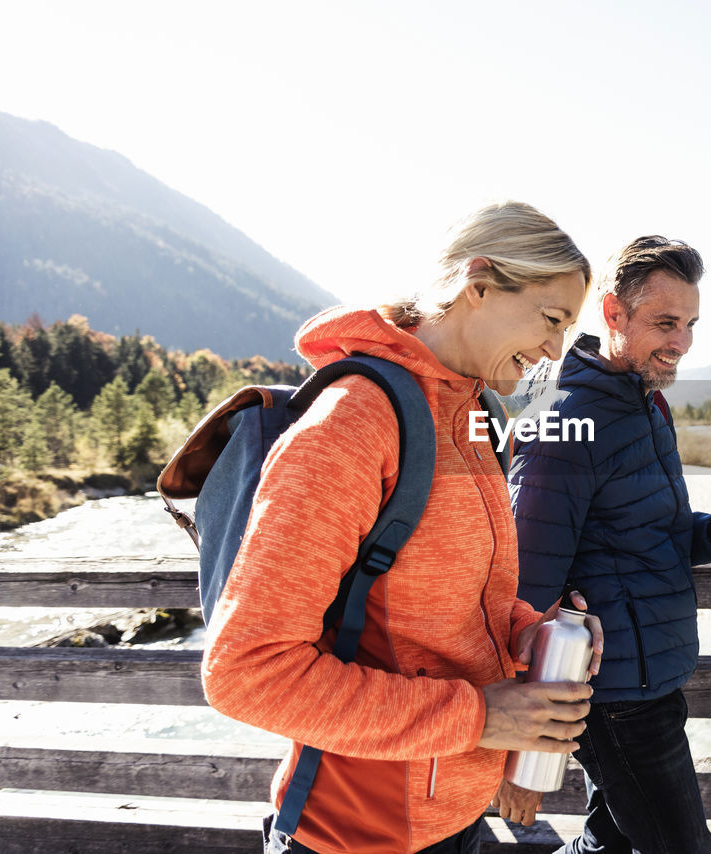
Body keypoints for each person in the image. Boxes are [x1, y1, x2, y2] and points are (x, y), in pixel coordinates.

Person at [201, 201, 604, 854]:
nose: (556, 350)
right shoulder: (351, 427)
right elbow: (246, 672)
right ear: (478, 284)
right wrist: (479, 718)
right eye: (551, 319)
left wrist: (530, 637)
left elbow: (450, 608)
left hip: (457, 818)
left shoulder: (474, 420)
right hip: (355, 833)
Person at [500, 236, 711, 851]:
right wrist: (524, 739)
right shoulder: (563, 419)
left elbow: (650, 527)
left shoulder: (646, 406)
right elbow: (525, 580)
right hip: (616, 696)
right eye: (666, 323)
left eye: (691, 324)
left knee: (609, 844)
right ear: (613, 315)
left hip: (655, 677)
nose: (682, 342)